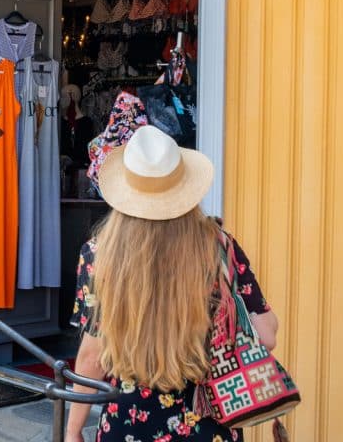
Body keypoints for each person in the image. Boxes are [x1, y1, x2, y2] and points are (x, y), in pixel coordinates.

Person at [66, 126, 279, 442]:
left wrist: (72, 432)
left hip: (128, 425)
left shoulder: (100, 255)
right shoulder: (219, 248)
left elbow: (91, 358)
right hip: (207, 422)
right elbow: (266, 335)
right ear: (184, 188)